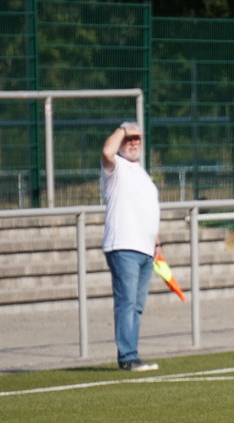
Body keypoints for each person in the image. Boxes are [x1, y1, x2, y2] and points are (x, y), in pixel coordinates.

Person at [101, 121, 162, 372]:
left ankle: (130, 352)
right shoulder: (116, 167)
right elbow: (106, 151)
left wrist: (157, 243)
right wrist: (123, 130)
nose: (134, 142)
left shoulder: (141, 173)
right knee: (126, 302)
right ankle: (128, 355)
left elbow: (147, 211)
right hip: (123, 246)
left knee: (136, 305)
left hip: (145, 248)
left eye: (138, 138)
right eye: (129, 139)